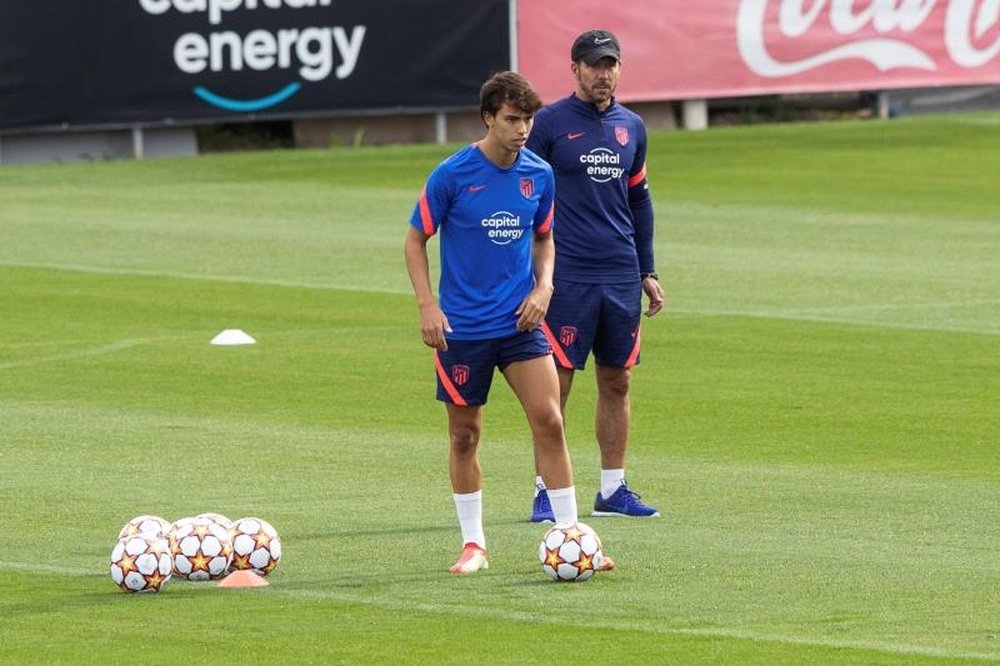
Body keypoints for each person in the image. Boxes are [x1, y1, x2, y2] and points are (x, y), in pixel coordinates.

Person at [405, 71, 611, 574]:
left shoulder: (539, 174)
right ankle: (474, 544)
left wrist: (544, 287)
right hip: (463, 331)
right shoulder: (452, 175)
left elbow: (545, 238)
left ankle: (573, 537)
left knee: (550, 421)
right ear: (488, 119)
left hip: (520, 324)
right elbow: (415, 239)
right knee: (465, 435)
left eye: (529, 120)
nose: (523, 129)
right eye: (513, 120)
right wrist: (427, 306)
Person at [525, 29, 665, 521]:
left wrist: (646, 269)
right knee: (556, 382)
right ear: (575, 69)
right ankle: (547, 489)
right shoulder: (549, 124)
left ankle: (613, 489)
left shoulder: (633, 127)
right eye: (594, 65)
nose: (603, 74)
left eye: (611, 65)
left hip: (620, 275)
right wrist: (532, 271)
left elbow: (639, 200)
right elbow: (527, 195)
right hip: (568, 276)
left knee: (617, 379)